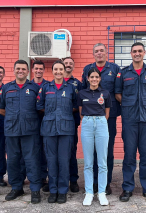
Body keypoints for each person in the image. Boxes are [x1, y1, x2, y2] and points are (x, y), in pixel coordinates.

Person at [115, 42, 146, 203]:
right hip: (129, 119)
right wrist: (129, 105)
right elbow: (118, 94)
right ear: (131, 53)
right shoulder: (123, 73)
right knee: (129, 155)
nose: (137, 53)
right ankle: (127, 188)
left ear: (144, 53)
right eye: (134, 51)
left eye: (140, 51)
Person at [0, 60, 42, 204]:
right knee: (13, 160)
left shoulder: (35, 88)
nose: (20, 71)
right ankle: (16, 187)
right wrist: (13, 117)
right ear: (14, 70)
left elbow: (40, 108)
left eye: (23, 69)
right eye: (18, 68)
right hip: (12, 130)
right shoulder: (7, 88)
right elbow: (0, 109)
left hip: (30, 130)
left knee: (32, 160)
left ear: (28, 71)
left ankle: (35, 189)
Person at [82, 43, 121, 195]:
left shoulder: (114, 69)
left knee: (106, 151)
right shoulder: (87, 69)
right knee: (91, 152)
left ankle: (105, 183)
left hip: (108, 118)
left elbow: (118, 91)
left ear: (106, 53)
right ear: (93, 54)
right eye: (96, 51)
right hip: (91, 118)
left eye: (101, 51)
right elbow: (84, 92)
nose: (99, 53)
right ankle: (92, 183)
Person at [37, 60, 77, 204]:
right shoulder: (46, 87)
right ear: (52, 71)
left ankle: (62, 191)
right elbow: (39, 105)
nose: (58, 72)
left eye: (61, 69)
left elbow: (76, 105)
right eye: (56, 69)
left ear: (64, 70)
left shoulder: (71, 88)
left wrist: (63, 114)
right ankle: (53, 190)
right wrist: (51, 114)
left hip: (66, 129)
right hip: (49, 129)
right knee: (51, 161)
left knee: (64, 161)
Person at [78, 68, 111, 206]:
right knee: (88, 162)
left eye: (96, 77)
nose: (94, 79)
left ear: (100, 78)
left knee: (102, 161)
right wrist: (89, 121)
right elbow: (81, 112)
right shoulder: (81, 93)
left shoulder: (105, 93)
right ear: (88, 78)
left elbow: (107, 113)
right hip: (87, 124)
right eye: (92, 77)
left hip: (102, 124)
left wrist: (99, 121)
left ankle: (102, 192)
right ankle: (89, 192)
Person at [19, 60, 49, 191]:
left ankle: (42, 176)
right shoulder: (28, 85)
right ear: (32, 70)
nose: (38, 71)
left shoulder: (48, 85)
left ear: (43, 70)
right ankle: (27, 176)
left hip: (46, 122)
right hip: (30, 124)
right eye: (36, 68)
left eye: (41, 69)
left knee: (43, 151)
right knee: (30, 152)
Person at [62, 57, 82, 193]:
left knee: (71, 151)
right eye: (66, 63)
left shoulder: (78, 84)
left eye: (70, 63)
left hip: (71, 122)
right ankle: (57, 180)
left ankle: (73, 180)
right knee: (56, 153)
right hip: (56, 123)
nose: (68, 65)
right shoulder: (54, 83)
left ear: (73, 66)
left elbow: (80, 103)